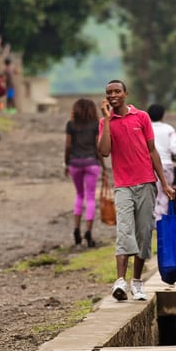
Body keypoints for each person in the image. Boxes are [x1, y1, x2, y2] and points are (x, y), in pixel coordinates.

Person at [97, 80, 176, 302]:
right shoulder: (106, 122)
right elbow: (104, 151)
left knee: (143, 233)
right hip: (122, 186)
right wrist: (106, 118)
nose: (113, 95)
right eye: (109, 92)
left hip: (146, 183)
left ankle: (137, 282)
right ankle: (120, 281)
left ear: (125, 93)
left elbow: (152, 152)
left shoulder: (141, 117)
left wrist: (165, 183)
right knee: (124, 231)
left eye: (117, 91)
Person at [65, 98, 102, 248]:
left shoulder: (71, 125)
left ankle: (76, 229)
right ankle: (88, 232)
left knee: (79, 195)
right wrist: (103, 166)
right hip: (91, 162)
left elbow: (68, 146)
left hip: (75, 162)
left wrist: (66, 162)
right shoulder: (95, 125)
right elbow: (98, 146)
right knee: (91, 197)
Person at [147, 103, 176, 221]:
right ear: (163, 115)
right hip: (166, 165)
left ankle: (153, 220)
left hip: (148, 166)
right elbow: (175, 149)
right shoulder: (169, 129)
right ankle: (161, 222)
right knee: (165, 194)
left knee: (151, 196)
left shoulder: (145, 128)